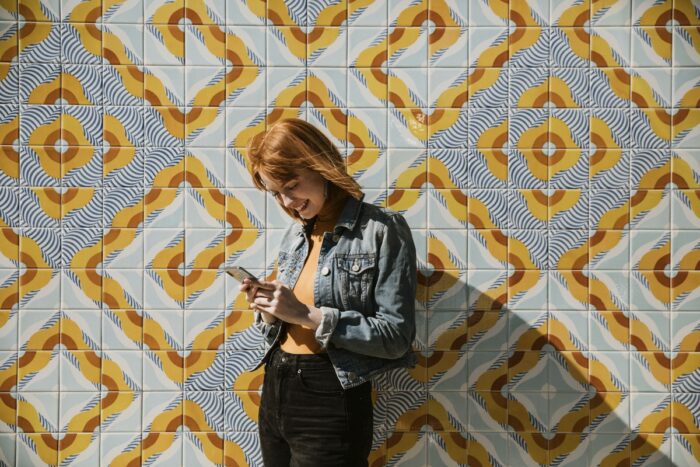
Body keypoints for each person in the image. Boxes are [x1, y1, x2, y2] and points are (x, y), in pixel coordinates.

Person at [239, 118, 417, 467]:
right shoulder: (294, 236)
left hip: (330, 394)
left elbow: (396, 336)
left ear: (321, 167)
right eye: (276, 193)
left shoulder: (381, 230)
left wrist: (306, 315)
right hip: (277, 384)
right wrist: (269, 310)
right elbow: (283, 325)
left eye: (291, 185)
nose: (287, 202)